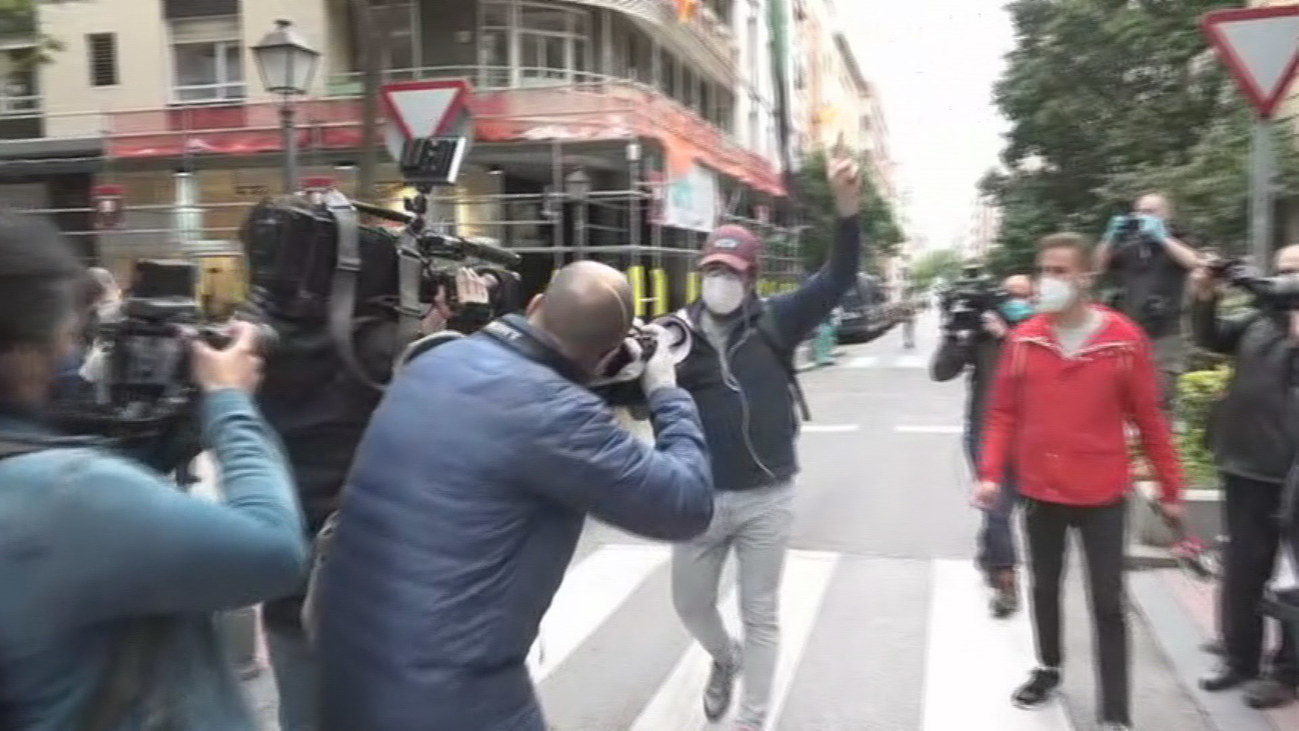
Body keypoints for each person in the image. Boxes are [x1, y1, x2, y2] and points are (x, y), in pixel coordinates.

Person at [315, 261, 716, 731]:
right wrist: (666, 391)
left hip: (344, 670)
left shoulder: (436, 361)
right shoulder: (561, 415)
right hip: (453, 698)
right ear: (608, 353)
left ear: (536, 305)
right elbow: (688, 504)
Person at [0, 212, 308, 730]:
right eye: (68, 332)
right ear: (31, 345)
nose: (70, 352)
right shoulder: (65, 495)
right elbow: (274, 551)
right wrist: (229, 401)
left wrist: (151, 445)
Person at [670, 153, 863, 731]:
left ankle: (752, 720)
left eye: (731, 271)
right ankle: (723, 659)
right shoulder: (674, 333)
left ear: (750, 278)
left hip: (767, 497)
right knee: (691, 605)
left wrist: (847, 208)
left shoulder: (780, 318)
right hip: (699, 499)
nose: (720, 281)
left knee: (762, 614)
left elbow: (838, 277)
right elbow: (635, 391)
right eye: (713, 270)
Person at [975, 232, 1184, 731]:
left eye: (1061, 271)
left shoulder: (1122, 340)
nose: (1049, 280)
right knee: (1044, 587)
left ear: (1086, 278)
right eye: (1044, 269)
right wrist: (989, 474)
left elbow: (1150, 421)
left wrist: (1172, 490)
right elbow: (1002, 414)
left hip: (1102, 494)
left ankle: (1115, 711)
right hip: (1041, 492)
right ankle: (1048, 667)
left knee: (1107, 603)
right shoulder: (1024, 340)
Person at [1191, 245, 1299, 709]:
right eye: (1280, 271)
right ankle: (1240, 658)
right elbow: (1212, 335)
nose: (1284, 281)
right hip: (1245, 464)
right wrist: (1205, 295)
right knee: (1243, 568)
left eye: (1294, 273)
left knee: (1293, 578)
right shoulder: (1256, 319)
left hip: (1293, 471)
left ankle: (1287, 670)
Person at [931, 274, 1034, 617]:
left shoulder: (1040, 328)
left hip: (1032, 432)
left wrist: (1009, 337)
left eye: (1024, 294)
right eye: (1011, 294)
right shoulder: (981, 331)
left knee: (1008, 508)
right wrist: (955, 335)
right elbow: (941, 372)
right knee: (998, 507)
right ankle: (1006, 581)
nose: (1017, 300)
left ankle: (990, 551)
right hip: (984, 430)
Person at [1095, 192, 1200, 414]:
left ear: (1166, 215)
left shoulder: (1178, 240)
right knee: (1123, 398)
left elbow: (1194, 262)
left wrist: (1162, 237)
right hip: (1129, 331)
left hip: (1166, 332)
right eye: (1140, 211)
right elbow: (1096, 268)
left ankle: (1160, 445)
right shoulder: (1129, 246)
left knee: (1159, 399)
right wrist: (1109, 238)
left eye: (1151, 212)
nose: (1143, 216)